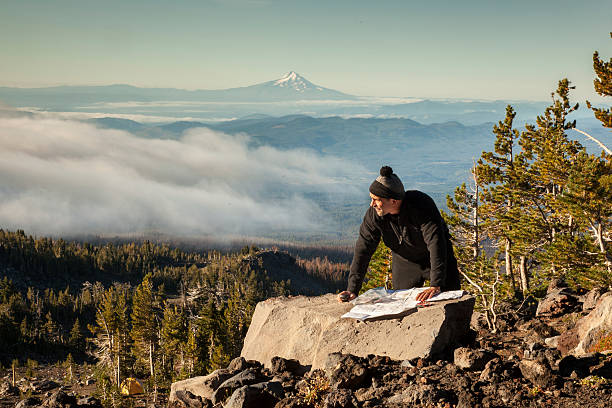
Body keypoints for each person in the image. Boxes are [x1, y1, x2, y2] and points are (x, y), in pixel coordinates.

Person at [338, 166, 460, 303]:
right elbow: (363, 250)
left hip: (437, 259)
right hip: (405, 261)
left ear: (394, 201)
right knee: (403, 305)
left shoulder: (421, 206)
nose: (372, 204)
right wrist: (352, 289)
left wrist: (436, 283)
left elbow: (436, 243)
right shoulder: (374, 216)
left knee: (451, 301)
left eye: (376, 199)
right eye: (371, 198)